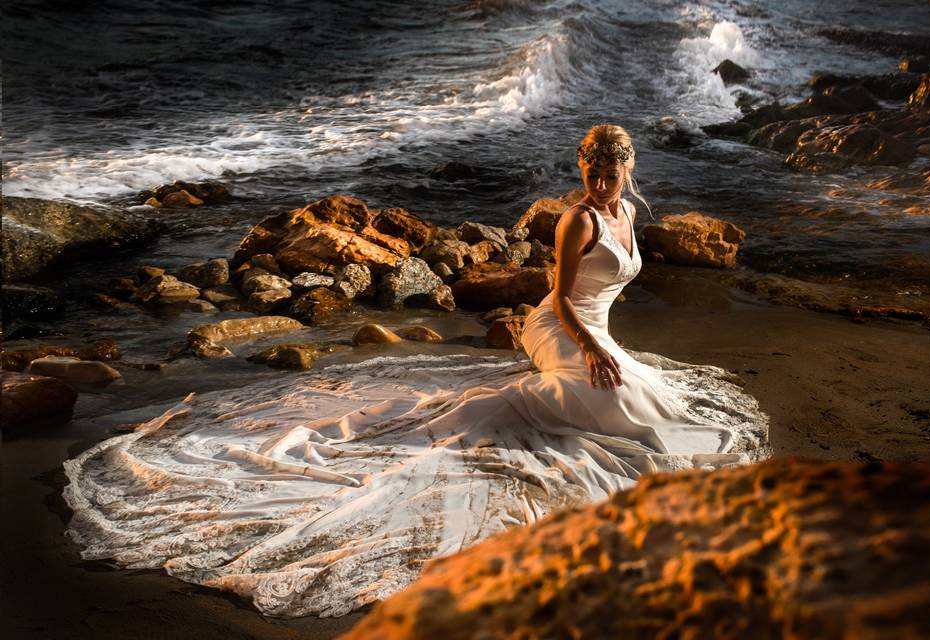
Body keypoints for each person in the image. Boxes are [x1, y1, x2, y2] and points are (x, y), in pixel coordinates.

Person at [63, 125, 768, 619]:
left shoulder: (627, 215)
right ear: (582, 170)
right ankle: (514, 401)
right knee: (605, 401)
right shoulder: (578, 219)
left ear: (628, 171)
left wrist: (604, 342)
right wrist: (587, 348)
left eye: (608, 171)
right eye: (589, 170)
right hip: (560, 329)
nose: (597, 179)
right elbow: (556, 298)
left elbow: (609, 289)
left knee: (657, 412)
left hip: (598, 331)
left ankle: (560, 390)